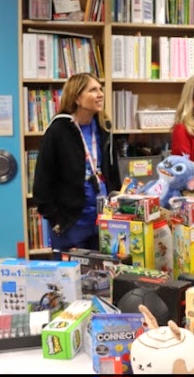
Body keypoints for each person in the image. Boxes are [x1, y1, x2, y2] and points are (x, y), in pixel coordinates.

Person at [33, 73, 121, 260]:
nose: (100, 94)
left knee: (103, 275)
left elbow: (113, 173)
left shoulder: (104, 128)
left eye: (100, 89)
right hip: (71, 224)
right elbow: (42, 183)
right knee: (71, 276)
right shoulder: (58, 130)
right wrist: (56, 219)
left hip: (104, 220)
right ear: (77, 98)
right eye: (93, 90)